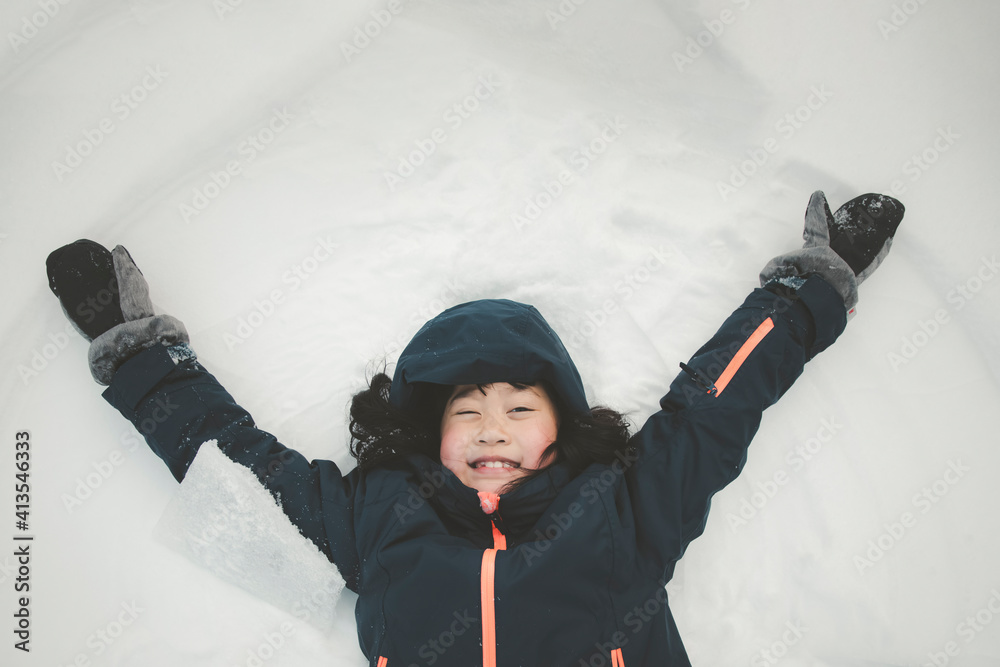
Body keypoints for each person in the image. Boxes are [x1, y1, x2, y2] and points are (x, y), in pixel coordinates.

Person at [46, 191, 903, 666]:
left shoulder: (625, 507)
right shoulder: (377, 514)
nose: (493, 427)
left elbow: (717, 405)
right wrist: (140, 359)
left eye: (520, 409)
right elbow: (239, 468)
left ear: (559, 433)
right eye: (468, 411)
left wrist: (805, 293)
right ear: (431, 434)